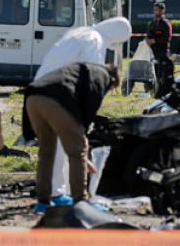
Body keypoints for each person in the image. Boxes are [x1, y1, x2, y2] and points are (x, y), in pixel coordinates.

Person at [34, 17, 131, 206]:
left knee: (49, 149)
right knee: (67, 148)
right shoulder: (96, 41)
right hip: (59, 94)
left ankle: (47, 196)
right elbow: (91, 81)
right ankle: (69, 196)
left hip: (39, 89)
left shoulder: (80, 32)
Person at [22, 62, 120, 214]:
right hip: (55, 101)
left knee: (46, 153)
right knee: (77, 153)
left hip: (33, 98)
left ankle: (42, 203)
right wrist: (83, 137)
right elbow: (90, 106)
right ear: (113, 80)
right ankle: (81, 202)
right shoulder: (103, 75)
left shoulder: (82, 70)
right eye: (110, 90)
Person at [146, 2, 174, 93]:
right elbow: (148, 35)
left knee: (161, 74)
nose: (154, 11)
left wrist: (154, 40)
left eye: (156, 9)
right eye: (154, 9)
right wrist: (147, 40)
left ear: (162, 11)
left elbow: (167, 38)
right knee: (152, 72)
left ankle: (163, 91)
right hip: (151, 52)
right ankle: (153, 90)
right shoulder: (152, 23)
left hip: (162, 52)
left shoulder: (166, 24)